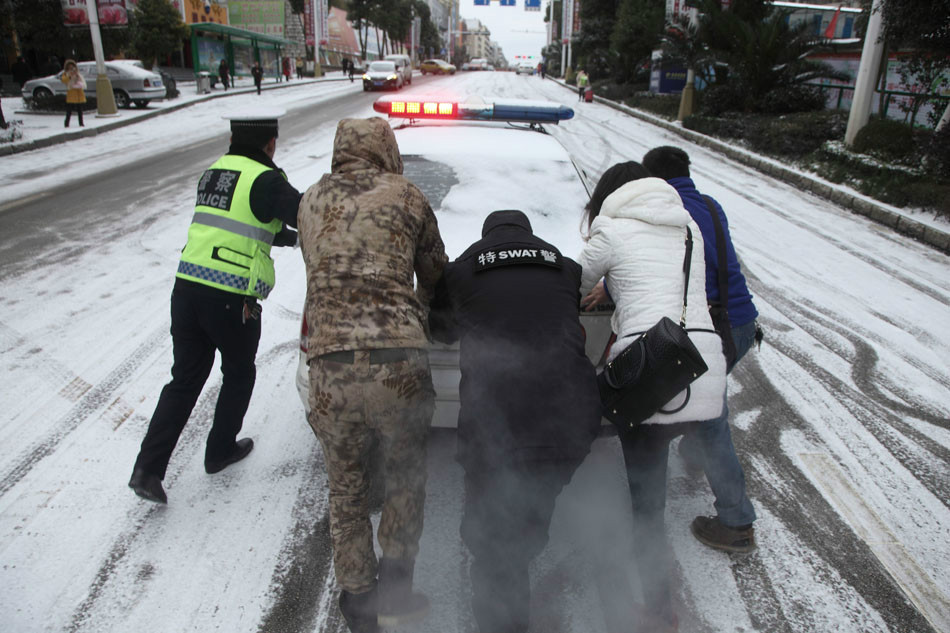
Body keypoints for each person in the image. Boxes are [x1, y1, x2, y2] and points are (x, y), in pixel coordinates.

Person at [579, 162, 755, 633]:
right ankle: (731, 515)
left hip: (652, 377)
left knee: (646, 506)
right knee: (692, 442)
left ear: (609, 195)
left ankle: (659, 614)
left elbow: (574, 283)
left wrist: (600, 289)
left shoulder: (610, 227)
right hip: (702, 368)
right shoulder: (689, 225)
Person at [297, 117, 447, 633]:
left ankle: (358, 603)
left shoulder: (310, 200)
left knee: (346, 487)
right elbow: (434, 272)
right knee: (405, 477)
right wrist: (419, 311)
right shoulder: (406, 195)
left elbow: (321, 271)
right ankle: (397, 590)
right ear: (387, 149)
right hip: (397, 365)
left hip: (329, 365)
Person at [428, 210, 601, 633]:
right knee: (530, 508)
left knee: (493, 542)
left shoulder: (462, 270)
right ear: (529, 234)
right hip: (570, 416)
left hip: (497, 420)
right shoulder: (565, 267)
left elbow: (442, 331)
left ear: (486, 235)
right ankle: (520, 549)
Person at [128, 108, 302, 505]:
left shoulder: (215, 173)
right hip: (229, 296)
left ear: (232, 141)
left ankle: (147, 469)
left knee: (184, 380)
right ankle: (220, 449)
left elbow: (243, 223)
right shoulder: (266, 179)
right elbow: (306, 213)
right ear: (270, 142)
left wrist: (289, 241)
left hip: (186, 290)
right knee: (239, 373)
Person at [641, 146, 762, 534]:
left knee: (712, 424)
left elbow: (644, 261)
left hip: (707, 328)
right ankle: (694, 452)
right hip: (741, 324)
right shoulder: (710, 205)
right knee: (706, 406)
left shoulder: (668, 214)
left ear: (652, 179)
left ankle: (736, 522)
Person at [60, 59, 86, 128]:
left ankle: (81, 123)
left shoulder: (77, 73)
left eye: (72, 67)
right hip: (71, 93)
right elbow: (63, 80)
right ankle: (66, 124)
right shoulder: (66, 74)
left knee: (80, 110)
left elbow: (82, 81)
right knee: (69, 111)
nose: (71, 68)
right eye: (70, 67)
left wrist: (77, 76)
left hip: (79, 93)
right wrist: (70, 76)